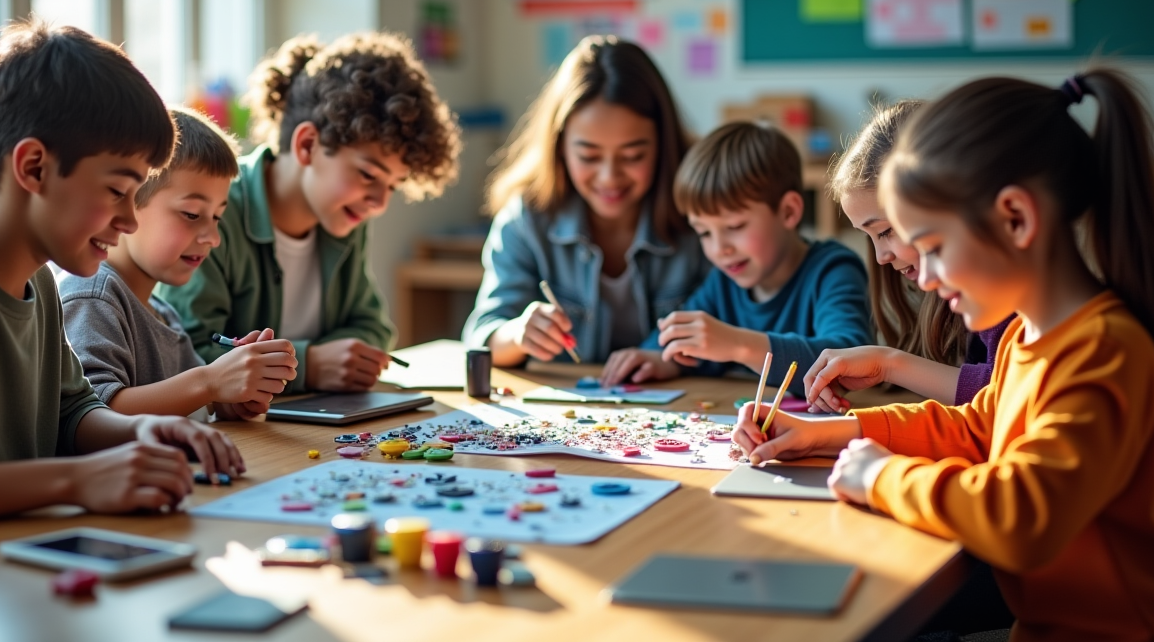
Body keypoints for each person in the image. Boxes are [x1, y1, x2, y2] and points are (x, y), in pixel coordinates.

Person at [735, 70, 1154, 641]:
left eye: (932, 246)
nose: (922, 274)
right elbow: (980, 430)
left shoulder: (1103, 351)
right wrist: (829, 433)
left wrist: (881, 475)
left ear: (1016, 219)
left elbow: (1021, 516)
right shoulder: (1026, 337)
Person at [0, 18, 242, 530]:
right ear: (34, 167)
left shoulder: (37, 280)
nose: (129, 220)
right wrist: (74, 481)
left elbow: (72, 413)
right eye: (116, 191)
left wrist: (147, 432)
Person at [160, 32, 462, 391]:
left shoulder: (344, 218)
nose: (379, 203)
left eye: (393, 185)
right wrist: (309, 365)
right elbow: (184, 354)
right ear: (307, 145)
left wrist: (347, 354)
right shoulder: (213, 212)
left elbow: (373, 325)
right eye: (368, 175)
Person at [463, 36, 707, 367]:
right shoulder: (528, 216)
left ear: (664, 146)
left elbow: (742, 326)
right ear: (560, 147)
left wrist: (672, 360)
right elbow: (483, 337)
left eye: (633, 155)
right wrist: (519, 333)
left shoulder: (703, 212)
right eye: (588, 156)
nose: (609, 177)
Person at [59, 107, 297, 421]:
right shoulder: (93, 296)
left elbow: (194, 403)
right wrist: (211, 382)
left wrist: (232, 396)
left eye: (217, 217)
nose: (213, 237)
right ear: (127, 200)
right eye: (191, 214)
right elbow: (96, 414)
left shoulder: (163, 313)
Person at [602, 121, 872, 391]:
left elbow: (847, 362)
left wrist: (737, 345)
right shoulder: (723, 283)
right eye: (704, 233)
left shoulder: (833, 270)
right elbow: (675, 344)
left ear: (789, 212)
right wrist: (661, 359)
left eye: (734, 227)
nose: (719, 249)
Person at [803, 100, 1013, 413]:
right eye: (869, 236)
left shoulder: (1009, 292)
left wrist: (889, 364)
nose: (879, 258)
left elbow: (1006, 399)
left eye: (886, 231)